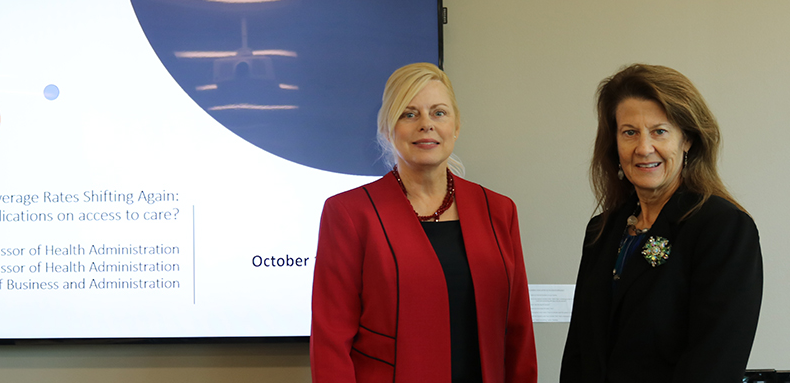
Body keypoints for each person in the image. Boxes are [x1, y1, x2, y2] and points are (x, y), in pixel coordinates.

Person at [310, 62, 537, 383]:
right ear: (388, 130)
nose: (426, 124)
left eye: (439, 113)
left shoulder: (500, 211)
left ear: (456, 127)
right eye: (409, 113)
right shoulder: (349, 213)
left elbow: (518, 331)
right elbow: (331, 341)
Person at [561, 64, 763, 383]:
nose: (644, 148)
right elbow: (579, 351)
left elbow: (715, 365)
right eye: (630, 132)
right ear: (614, 143)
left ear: (687, 140)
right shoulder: (602, 231)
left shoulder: (723, 228)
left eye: (659, 131)